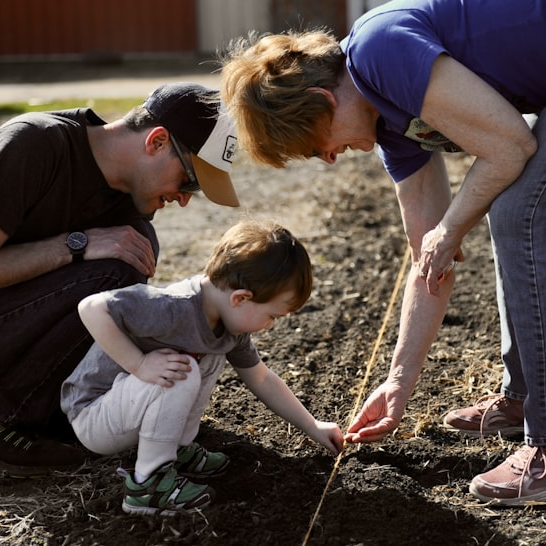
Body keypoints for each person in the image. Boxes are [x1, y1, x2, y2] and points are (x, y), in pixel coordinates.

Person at [219, 0, 546, 505]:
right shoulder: (393, 127)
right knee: (516, 209)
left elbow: (509, 145)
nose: (330, 159)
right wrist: (399, 382)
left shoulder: (379, 52)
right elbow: (428, 261)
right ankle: (529, 397)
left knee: (527, 214)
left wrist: (451, 227)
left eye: (316, 146)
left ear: (320, 99)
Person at [0, 82, 241, 478]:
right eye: (189, 181)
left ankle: (54, 415)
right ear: (156, 142)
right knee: (114, 268)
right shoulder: (34, 144)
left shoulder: (127, 209)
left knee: (131, 254)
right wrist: (77, 243)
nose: (185, 198)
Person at [60, 219, 343, 515]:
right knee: (183, 369)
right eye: (272, 316)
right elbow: (91, 308)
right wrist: (140, 363)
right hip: (94, 415)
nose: (270, 326)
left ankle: (176, 449)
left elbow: (260, 378)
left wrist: (312, 426)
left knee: (209, 354)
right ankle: (147, 485)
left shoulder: (229, 326)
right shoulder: (172, 306)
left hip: (128, 408)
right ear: (241, 298)